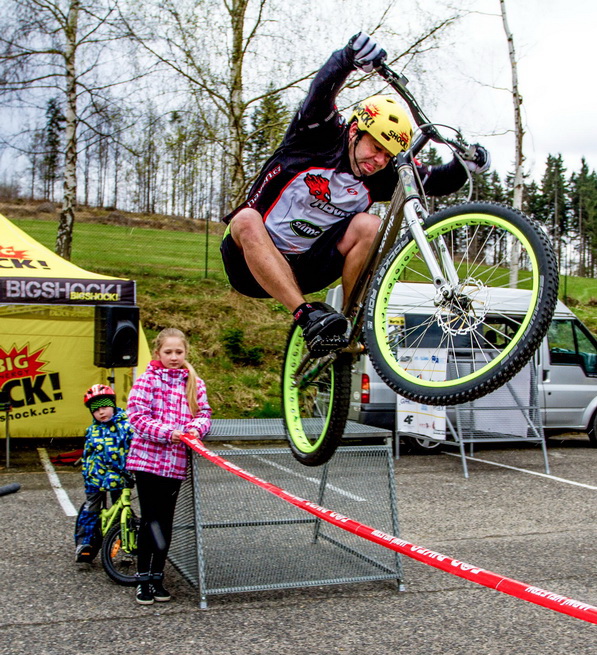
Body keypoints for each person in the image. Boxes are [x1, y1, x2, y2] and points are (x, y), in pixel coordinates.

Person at [221, 32, 490, 354]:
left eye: (387, 156)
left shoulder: (380, 175)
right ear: (353, 131)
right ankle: (307, 317)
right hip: (249, 264)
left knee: (369, 224)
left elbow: (439, 181)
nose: (378, 161)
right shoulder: (316, 137)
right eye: (375, 148)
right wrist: (348, 58)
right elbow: (320, 93)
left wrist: (466, 163)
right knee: (246, 218)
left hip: (309, 266)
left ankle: (350, 323)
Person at [126, 328, 211, 605]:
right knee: (150, 520)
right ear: (157, 353)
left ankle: (157, 576)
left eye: (179, 352)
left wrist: (195, 429)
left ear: (186, 352)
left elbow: (204, 413)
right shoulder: (146, 380)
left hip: (174, 464)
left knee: (166, 521)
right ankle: (142, 580)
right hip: (147, 461)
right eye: (168, 352)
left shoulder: (195, 382)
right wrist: (169, 432)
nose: (174, 357)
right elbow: (136, 416)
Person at [75, 384, 133, 564]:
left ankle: (123, 541)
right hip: (96, 477)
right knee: (91, 508)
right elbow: (87, 454)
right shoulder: (92, 430)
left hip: (120, 477)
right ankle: (84, 543)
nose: (101, 413)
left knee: (122, 509)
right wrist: (87, 473)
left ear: (113, 406)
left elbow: (135, 448)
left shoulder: (126, 426)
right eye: (96, 410)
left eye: (105, 407)